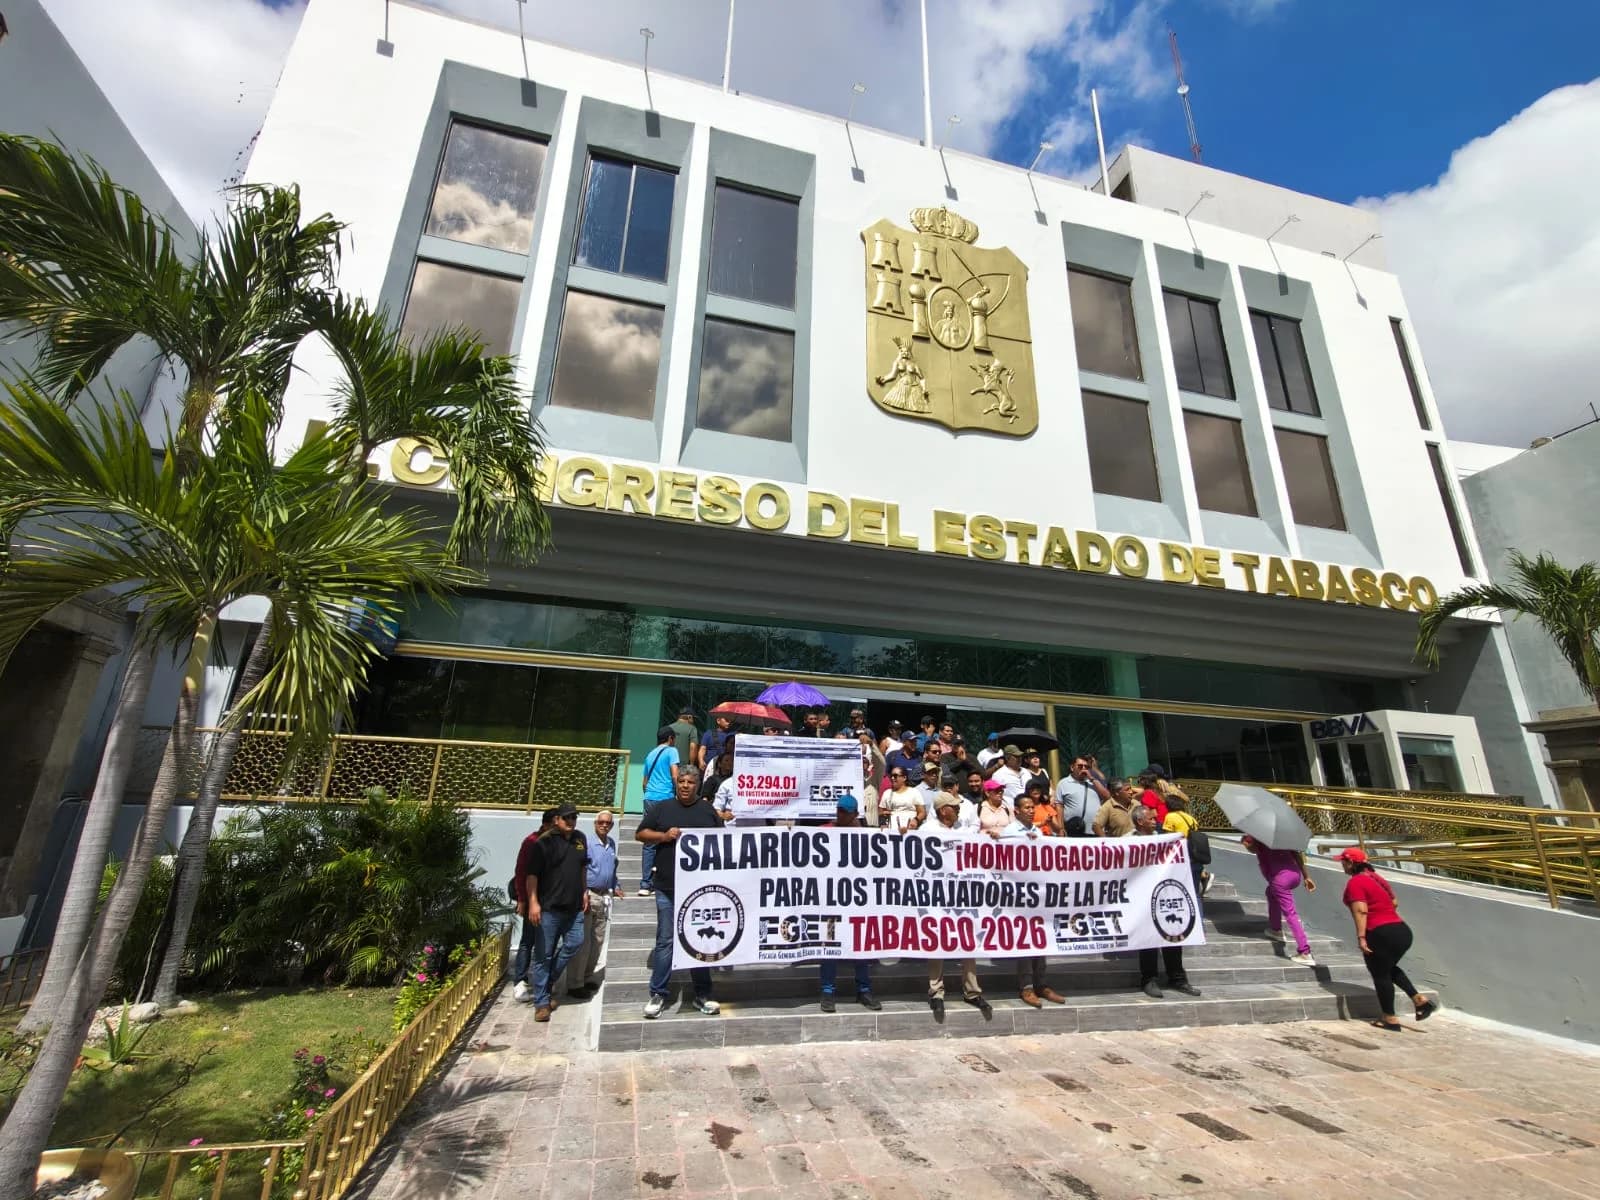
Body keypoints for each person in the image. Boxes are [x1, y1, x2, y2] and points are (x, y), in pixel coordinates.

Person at [635, 767, 722, 1019]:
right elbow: (640, 834)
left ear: (697, 785)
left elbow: (725, 841)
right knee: (666, 940)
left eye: (690, 782)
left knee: (700, 941)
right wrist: (664, 836)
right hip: (667, 887)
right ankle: (658, 994)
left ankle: (702, 994)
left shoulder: (707, 810)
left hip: (699, 891)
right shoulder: (662, 808)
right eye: (681, 781)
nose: (685, 785)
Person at [1337, 847, 1436, 1031]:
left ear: (1350, 863)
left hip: (1379, 932)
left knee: (1380, 974)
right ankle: (1419, 1000)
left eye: (1343, 861)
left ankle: (1389, 1019)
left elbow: (1361, 911)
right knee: (1387, 967)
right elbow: (1394, 902)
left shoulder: (1356, 882)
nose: (1341, 865)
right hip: (1401, 930)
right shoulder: (1375, 877)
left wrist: (1361, 937)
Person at [514, 803, 590, 1021]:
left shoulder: (580, 839)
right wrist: (533, 902)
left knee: (575, 942)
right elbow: (531, 875)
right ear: (557, 820)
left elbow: (582, 867)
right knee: (543, 955)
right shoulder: (543, 843)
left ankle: (546, 982)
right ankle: (541, 1003)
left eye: (574, 817)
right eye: (567, 817)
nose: (571, 821)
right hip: (550, 909)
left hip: (574, 907)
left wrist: (584, 891)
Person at [921, 803, 992, 1021]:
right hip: (937, 894)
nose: (958, 810)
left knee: (968, 940)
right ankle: (936, 992)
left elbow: (980, 841)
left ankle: (972, 991)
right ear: (943, 810)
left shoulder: (962, 829)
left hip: (962, 894)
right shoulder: (927, 830)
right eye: (953, 807)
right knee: (937, 940)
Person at [1126, 805, 1201, 1000]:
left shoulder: (1164, 840)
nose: (1155, 821)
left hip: (1164, 895)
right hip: (1141, 898)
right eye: (1151, 818)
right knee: (1147, 939)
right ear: (1140, 821)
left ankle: (1177, 978)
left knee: (1173, 935)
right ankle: (1149, 979)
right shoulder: (1128, 841)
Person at [816, 795, 882, 1012]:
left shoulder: (865, 835)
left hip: (857, 902)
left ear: (855, 814)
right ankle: (827, 991)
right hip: (830, 902)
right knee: (828, 946)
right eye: (839, 810)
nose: (840, 814)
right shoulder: (824, 831)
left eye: (845, 811)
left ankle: (864, 990)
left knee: (861, 948)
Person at [1002, 795, 1065, 1007]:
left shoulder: (1038, 831)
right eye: (1026, 807)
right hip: (1020, 894)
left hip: (1039, 894)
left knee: (1041, 938)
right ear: (1016, 811)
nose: (1031, 810)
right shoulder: (1010, 832)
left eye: (1032, 807)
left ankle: (1041, 984)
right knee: (1026, 940)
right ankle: (1026, 987)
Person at [567, 809, 624, 999]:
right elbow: (580, 869)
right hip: (589, 895)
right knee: (584, 942)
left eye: (608, 823)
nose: (604, 825)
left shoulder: (611, 844)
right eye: (601, 822)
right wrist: (582, 892)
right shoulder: (587, 844)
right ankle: (575, 983)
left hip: (604, 896)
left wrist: (615, 885)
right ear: (595, 824)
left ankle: (587, 976)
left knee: (598, 940)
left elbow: (612, 869)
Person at [1242, 834, 1318, 966]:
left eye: (1247, 846)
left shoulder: (1260, 845)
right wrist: (1307, 877)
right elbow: (1297, 855)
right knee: (1271, 892)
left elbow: (1265, 869)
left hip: (1281, 879)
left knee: (1290, 913)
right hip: (1295, 875)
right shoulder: (1282, 838)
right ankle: (1276, 929)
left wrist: (1276, 882)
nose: (1248, 849)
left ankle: (1305, 952)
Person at [511, 808, 559, 998]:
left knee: (548, 942)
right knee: (528, 940)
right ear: (546, 824)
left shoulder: (557, 842)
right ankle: (520, 979)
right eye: (554, 824)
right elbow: (521, 872)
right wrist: (523, 899)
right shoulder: (532, 842)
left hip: (551, 900)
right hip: (534, 899)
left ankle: (544, 978)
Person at [637, 726, 680, 895]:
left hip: (649, 798)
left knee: (649, 842)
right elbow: (675, 775)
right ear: (670, 738)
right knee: (667, 838)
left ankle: (645, 884)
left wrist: (650, 794)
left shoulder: (650, 754)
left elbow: (644, 782)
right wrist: (679, 794)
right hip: (665, 798)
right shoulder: (672, 751)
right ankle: (663, 880)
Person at [1162, 794, 1212, 897]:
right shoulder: (1191, 818)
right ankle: (1203, 877)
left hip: (1181, 855)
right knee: (1194, 890)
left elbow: (1168, 837)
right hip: (1194, 855)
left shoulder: (1170, 816)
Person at [1057, 754, 1110, 838]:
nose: (1083, 769)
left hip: (1096, 831)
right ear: (1072, 767)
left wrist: (1091, 778)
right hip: (1074, 831)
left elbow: (1107, 797)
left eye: (1086, 767)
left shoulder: (1094, 783)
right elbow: (1059, 807)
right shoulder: (1063, 783)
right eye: (1080, 766)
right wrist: (1061, 828)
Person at [880, 766, 926, 832]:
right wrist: (883, 821)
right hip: (892, 830)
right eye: (891, 776)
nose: (892, 778)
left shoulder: (914, 792)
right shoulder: (887, 793)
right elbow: (881, 811)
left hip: (910, 830)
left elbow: (922, 812)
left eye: (895, 776)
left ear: (904, 778)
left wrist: (916, 820)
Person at [858, 733, 885, 828]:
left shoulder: (874, 780)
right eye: (859, 760)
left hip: (871, 828)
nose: (862, 762)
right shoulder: (848, 781)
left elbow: (881, 763)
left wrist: (871, 744)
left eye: (865, 760)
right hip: (854, 829)